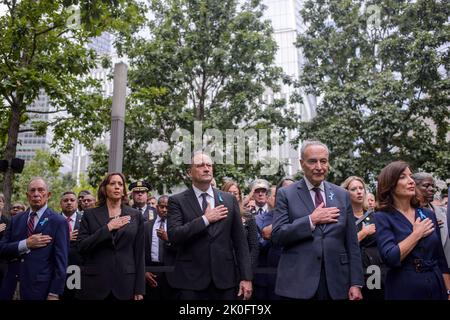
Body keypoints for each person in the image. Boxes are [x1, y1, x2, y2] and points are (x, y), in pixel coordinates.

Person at [272, 140, 363, 300]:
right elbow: (278, 235)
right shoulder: (286, 194)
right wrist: (311, 221)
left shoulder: (341, 194)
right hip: (298, 282)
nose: (319, 167)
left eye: (323, 161)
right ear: (302, 164)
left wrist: (356, 283)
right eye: (313, 161)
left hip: (336, 282)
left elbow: (352, 243)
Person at [167, 152, 252, 300]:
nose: (206, 169)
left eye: (209, 165)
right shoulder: (177, 201)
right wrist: (205, 219)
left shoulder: (229, 200)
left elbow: (240, 243)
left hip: (225, 281)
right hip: (190, 282)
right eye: (200, 165)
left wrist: (246, 277)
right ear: (189, 172)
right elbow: (174, 235)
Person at [374, 161, 450, 300]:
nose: (411, 181)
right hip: (404, 288)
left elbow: (441, 259)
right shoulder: (382, 217)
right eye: (403, 177)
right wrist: (416, 234)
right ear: (390, 184)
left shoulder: (428, 214)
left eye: (410, 176)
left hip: (436, 286)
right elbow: (390, 257)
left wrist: (448, 291)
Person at [76, 172, 145, 300]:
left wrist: (139, 288)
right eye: (112, 183)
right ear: (104, 189)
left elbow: (139, 253)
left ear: (124, 190)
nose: (117, 187)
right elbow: (81, 246)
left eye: (120, 184)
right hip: (95, 284)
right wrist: (108, 228)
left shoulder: (135, 215)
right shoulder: (90, 215)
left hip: (126, 284)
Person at [0, 177, 69, 300]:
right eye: (32, 190)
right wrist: (26, 244)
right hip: (11, 287)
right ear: (27, 195)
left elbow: (61, 263)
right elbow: (2, 249)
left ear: (48, 195)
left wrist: (54, 292)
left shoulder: (58, 222)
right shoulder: (15, 219)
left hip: (40, 289)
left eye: (41, 190)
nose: (36, 194)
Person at [341, 176, 385, 300]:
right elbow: (341, 245)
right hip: (353, 270)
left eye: (361, 188)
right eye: (353, 189)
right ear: (346, 193)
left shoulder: (374, 216)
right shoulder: (342, 218)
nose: (359, 191)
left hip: (374, 269)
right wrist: (363, 233)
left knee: (375, 296)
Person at [412, 173, 450, 269]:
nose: (432, 189)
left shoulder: (444, 212)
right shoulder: (407, 215)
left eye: (433, 186)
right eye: (426, 186)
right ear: (413, 187)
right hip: (422, 271)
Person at [221, 180, 259, 272]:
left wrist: (247, 268)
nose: (232, 195)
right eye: (229, 192)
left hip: (242, 267)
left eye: (235, 193)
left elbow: (254, 246)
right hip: (222, 267)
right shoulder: (217, 215)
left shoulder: (248, 216)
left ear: (239, 196)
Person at [144, 195, 175, 300]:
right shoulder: (146, 226)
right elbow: (141, 251)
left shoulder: (175, 226)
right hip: (152, 271)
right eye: (162, 207)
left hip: (171, 272)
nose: (165, 210)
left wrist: (168, 239)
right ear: (157, 207)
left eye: (167, 207)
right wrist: (144, 271)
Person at [59, 191, 83, 300]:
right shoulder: (52, 220)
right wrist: (65, 238)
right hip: (57, 268)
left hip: (78, 268)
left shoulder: (85, 220)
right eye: (65, 200)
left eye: (72, 200)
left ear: (77, 203)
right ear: (61, 203)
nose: (69, 202)